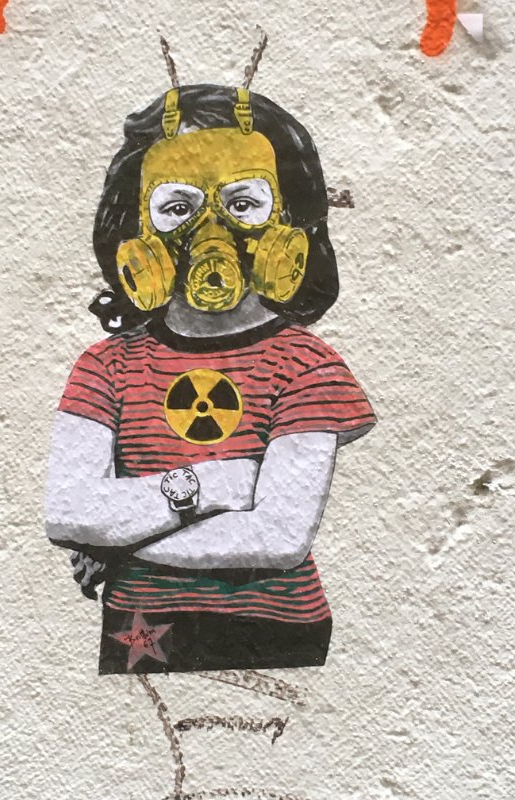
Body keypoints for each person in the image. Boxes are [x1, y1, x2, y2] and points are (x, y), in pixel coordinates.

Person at [45, 84, 375, 673]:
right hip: (140, 630)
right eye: (177, 207)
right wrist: (218, 482)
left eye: (244, 203)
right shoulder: (105, 367)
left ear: (288, 220)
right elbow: (69, 510)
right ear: (136, 226)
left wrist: (119, 541)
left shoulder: (308, 365)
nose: (211, 232)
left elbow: (278, 538)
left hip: (278, 631)